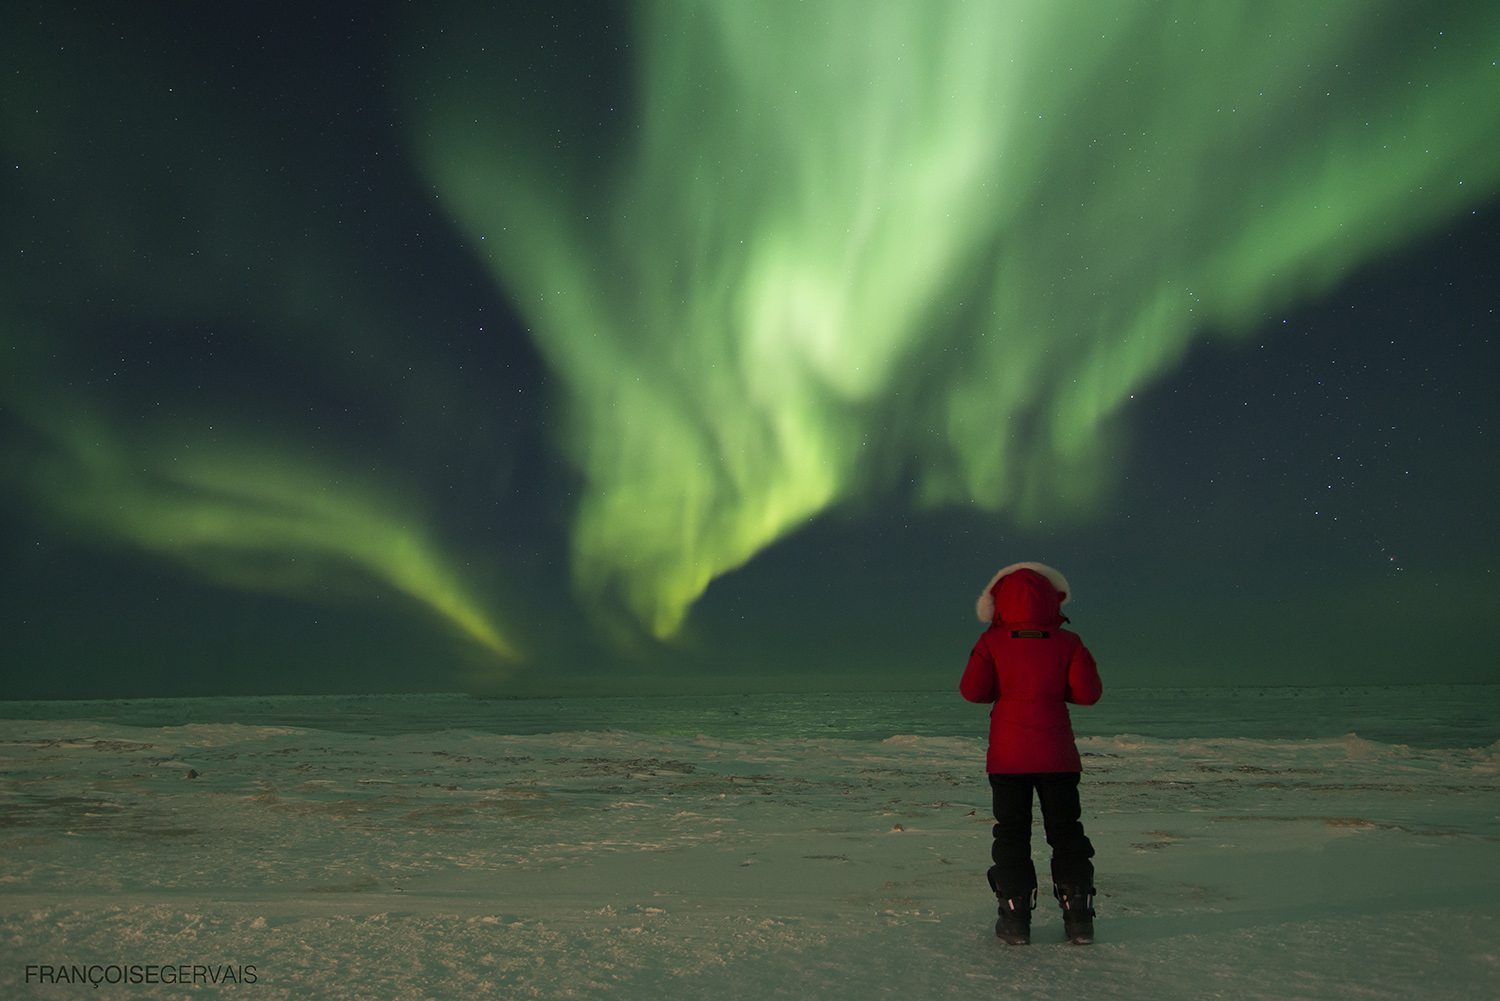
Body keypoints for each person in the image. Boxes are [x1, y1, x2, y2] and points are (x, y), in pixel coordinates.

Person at [959, 562, 1102, 945]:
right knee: (1066, 834)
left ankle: (1015, 919)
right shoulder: (1069, 642)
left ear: (996, 602)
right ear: (1052, 600)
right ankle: (1079, 919)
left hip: (1008, 759)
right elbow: (1088, 694)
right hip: (1057, 756)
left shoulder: (991, 642)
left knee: (1012, 836)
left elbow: (972, 692)